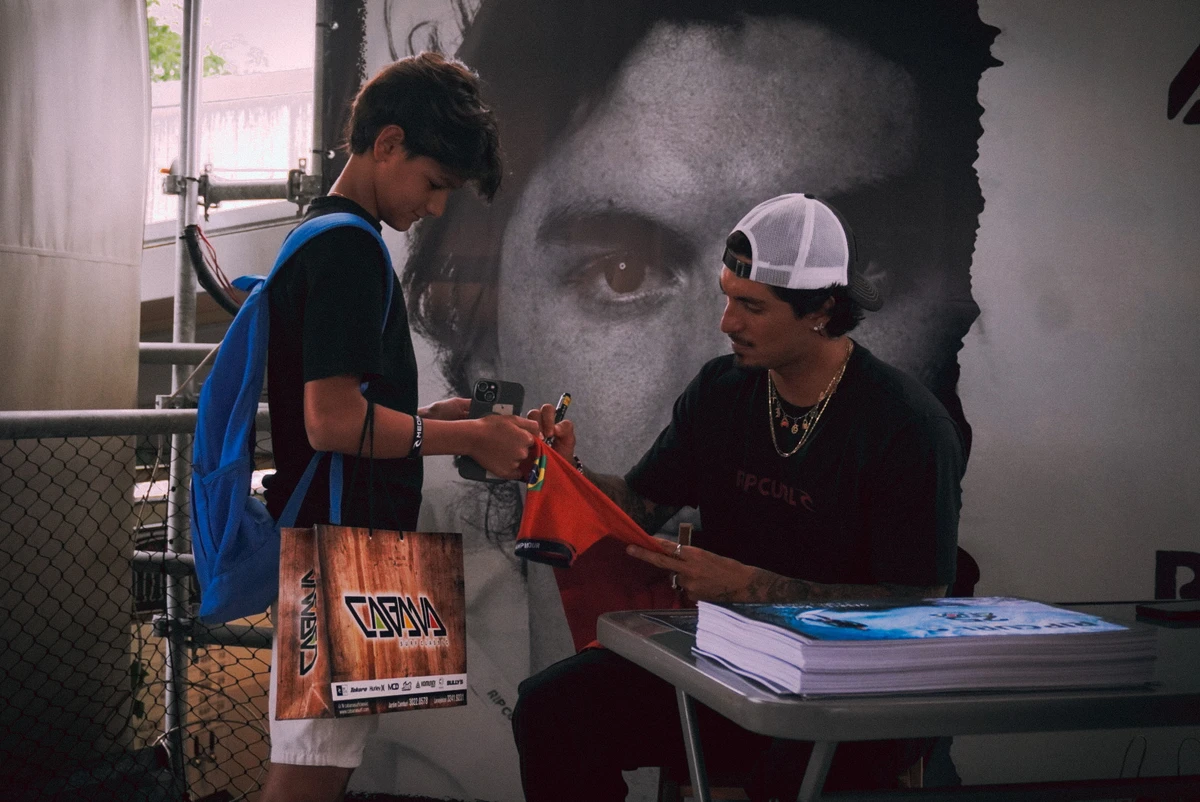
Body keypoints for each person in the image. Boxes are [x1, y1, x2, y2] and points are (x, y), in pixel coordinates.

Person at [515, 193, 966, 801]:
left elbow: (918, 609)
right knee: (549, 709)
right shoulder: (722, 391)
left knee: (785, 774)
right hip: (722, 668)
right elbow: (640, 505)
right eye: (727, 296)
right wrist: (565, 470)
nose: (726, 321)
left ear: (822, 311)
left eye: (751, 305)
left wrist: (750, 588)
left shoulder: (905, 426)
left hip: (846, 691)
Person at [256, 52, 541, 802]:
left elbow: (340, 412)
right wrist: (468, 438)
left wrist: (426, 421)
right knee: (310, 774)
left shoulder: (327, 233)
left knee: (330, 761)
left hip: (358, 546)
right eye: (435, 183)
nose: (437, 207)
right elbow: (330, 421)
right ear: (387, 144)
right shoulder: (350, 246)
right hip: (345, 549)